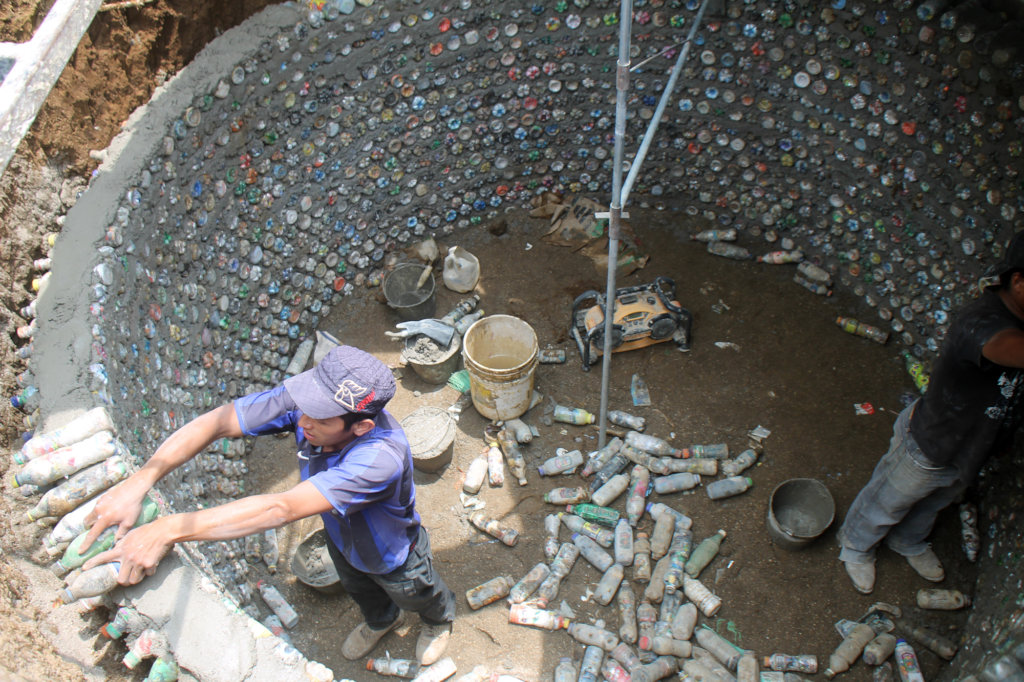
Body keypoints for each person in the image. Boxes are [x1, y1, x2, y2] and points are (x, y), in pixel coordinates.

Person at [83, 345, 456, 664]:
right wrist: (140, 481)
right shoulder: (312, 405)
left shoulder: (379, 458)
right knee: (359, 587)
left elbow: (280, 509)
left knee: (414, 590)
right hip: (342, 540)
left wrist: (167, 529)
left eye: (320, 418)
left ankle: (439, 620)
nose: (303, 419)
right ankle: (381, 621)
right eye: (306, 406)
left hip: (393, 552)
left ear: (360, 427)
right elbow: (218, 422)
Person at [838, 232, 1024, 594]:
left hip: (971, 448)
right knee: (889, 498)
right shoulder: (983, 323)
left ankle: (907, 541)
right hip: (930, 442)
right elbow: (1006, 348)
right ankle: (855, 545)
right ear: (1018, 281)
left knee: (938, 500)